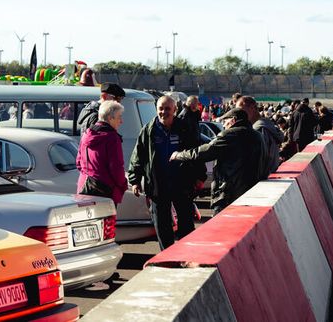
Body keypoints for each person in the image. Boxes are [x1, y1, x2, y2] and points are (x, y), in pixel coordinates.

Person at [128, 96, 203, 250]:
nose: (164, 112)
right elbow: (138, 156)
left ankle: (185, 254)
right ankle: (167, 256)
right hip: (158, 185)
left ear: (175, 110)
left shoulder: (184, 128)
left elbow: (196, 153)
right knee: (162, 225)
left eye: (168, 109)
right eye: (161, 108)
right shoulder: (148, 130)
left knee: (186, 223)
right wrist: (135, 180)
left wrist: (200, 176)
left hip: (181, 183)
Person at [171, 108, 262, 215]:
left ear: (233, 120)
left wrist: (179, 155)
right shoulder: (257, 136)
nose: (224, 125)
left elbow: (204, 152)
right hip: (251, 193)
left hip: (228, 194)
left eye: (225, 121)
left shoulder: (229, 135)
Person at [76, 101, 128, 206]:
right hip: (105, 191)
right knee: (106, 222)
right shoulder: (112, 138)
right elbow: (116, 168)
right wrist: (123, 185)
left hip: (84, 187)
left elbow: (78, 163)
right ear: (110, 118)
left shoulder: (87, 133)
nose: (121, 121)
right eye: (119, 117)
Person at [237, 96, 284, 179]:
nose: (238, 115)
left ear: (252, 108)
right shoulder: (267, 125)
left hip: (259, 178)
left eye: (241, 111)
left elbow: (259, 158)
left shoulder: (259, 129)